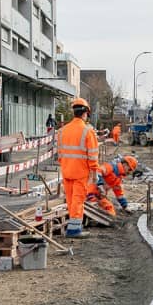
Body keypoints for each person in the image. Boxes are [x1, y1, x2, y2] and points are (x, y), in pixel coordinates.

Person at [58, 97, 100, 237]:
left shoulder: (63, 131)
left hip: (66, 170)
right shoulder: (87, 131)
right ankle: (74, 230)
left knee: (70, 200)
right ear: (85, 113)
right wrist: (94, 173)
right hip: (80, 172)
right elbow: (93, 156)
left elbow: (60, 153)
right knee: (78, 200)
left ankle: (73, 225)